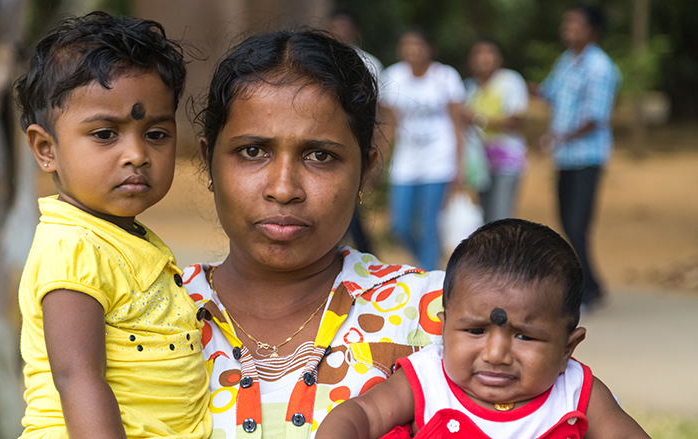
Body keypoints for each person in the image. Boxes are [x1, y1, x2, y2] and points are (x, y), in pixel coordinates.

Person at [184, 29, 446, 438]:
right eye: (253, 151)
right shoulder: (148, 315)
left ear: (367, 170)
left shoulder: (440, 318)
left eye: (320, 156)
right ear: (209, 162)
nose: (284, 188)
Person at [13, 12, 211, 439]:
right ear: (46, 149)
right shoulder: (74, 249)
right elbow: (78, 378)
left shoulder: (117, 236)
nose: (136, 154)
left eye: (156, 134)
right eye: (105, 134)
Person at [315, 218, 650, 439]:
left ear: (567, 348)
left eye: (524, 336)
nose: (496, 354)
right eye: (475, 331)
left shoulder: (577, 393)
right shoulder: (427, 380)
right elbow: (362, 413)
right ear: (444, 329)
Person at [534, 4, 621, 309]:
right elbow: (548, 93)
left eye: (574, 23)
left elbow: (595, 117)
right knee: (567, 222)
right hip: (564, 158)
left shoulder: (601, 68)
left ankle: (584, 291)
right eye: (567, 22)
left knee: (577, 222)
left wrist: (559, 137)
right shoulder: (566, 61)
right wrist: (516, 86)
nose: (567, 27)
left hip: (587, 157)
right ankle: (594, 284)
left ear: (592, 30)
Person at [380, 28, 465, 270]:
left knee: (429, 225)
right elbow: (390, 125)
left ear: (430, 49)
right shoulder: (393, 76)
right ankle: (428, 266)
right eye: (407, 45)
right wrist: (379, 161)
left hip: (439, 159)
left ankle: (429, 277)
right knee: (400, 226)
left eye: (418, 45)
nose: (412, 50)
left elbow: (457, 124)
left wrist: (460, 166)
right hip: (406, 161)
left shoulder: (446, 76)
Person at [328, 8, 383, 254]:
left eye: (345, 27)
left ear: (354, 31)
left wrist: (376, 149)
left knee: (347, 198)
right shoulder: (319, 61)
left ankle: (357, 252)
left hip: (354, 143)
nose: (340, 33)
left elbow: (379, 114)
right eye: (336, 27)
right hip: (325, 141)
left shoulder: (370, 64)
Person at [463, 38, 529, 223]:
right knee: (486, 218)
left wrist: (476, 118)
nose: (484, 58)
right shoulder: (469, 87)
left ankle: (505, 253)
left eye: (489, 53)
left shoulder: (510, 81)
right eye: (478, 54)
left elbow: (514, 120)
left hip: (507, 160)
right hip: (480, 163)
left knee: (501, 218)